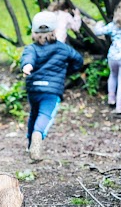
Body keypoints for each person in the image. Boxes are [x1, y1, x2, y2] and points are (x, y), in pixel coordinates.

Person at [21, 11, 84, 161]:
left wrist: (27, 66)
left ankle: (30, 143)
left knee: (34, 114)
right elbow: (78, 60)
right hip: (52, 90)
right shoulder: (63, 48)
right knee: (45, 115)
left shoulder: (31, 48)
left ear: (34, 32)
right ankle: (38, 134)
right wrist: (66, 71)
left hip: (34, 89)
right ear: (55, 31)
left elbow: (28, 59)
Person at [94, 0, 121, 114]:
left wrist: (98, 24)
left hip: (112, 56)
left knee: (113, 76)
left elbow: (98, 32)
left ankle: (111, 99)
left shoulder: (114, 24)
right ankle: (120, 106)